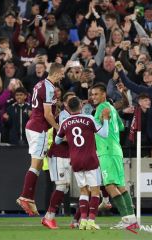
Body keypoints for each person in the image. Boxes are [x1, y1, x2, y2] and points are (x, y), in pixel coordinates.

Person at [16, 63, 65, 216]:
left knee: (35, 165)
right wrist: (59, 128)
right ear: (56, 74)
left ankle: (29, 198)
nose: (62, 76)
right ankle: (25, 196)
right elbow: (47, 115)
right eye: (62, 74)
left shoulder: (39, 84)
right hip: (39, 128)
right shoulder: (49, 88)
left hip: (31, 126)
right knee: (36, 165)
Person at [55, 96, 110, 230]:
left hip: (75, 159)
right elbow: (104, 134)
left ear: (67, 108)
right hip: (90, 158)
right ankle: (91, 221)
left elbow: (57, 141)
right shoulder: (88, 118)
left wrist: (69, 138)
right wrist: (106, 120)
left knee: (83, 191)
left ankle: (83, 220)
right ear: (81, 105)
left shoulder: (65, 122)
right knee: (95, 191)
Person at [91, 83, 139, 230]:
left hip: (107, 151)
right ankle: (131, 219)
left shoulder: (101, 108)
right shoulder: (111, 108)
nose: (93, 97)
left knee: (110, 185)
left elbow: (96, 128)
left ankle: (127, 220)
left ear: (104, 94)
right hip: (116, 150)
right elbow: (122, 126)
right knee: (120, 185)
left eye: (96, 94)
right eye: (92, 95)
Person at [41, 92, 75, 229]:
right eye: (70, 100)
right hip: (57, 155)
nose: (74, 102)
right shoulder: (63, 116)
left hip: (66, 155)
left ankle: (51, 216)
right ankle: (49, 217)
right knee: (61, 185)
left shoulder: (73, 116)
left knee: (65, 187)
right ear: (65, 103)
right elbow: (63, 137)